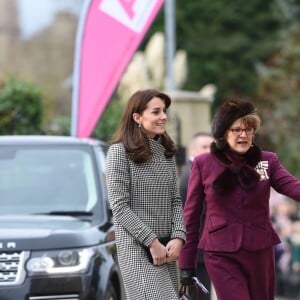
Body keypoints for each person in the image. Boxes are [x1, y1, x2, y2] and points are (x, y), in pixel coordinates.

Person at [178, 99, 300, 300]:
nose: (243, 135)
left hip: (260, 250)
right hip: (220, 253)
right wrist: (186, 264)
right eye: (236, 130)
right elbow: (190, 218)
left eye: (248, 130)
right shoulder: (203, 164)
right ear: (224, 133)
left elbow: (293, 187)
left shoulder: (267, 161)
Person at [105, 89, 186, 299]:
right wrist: (152, 242)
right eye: (156, 112)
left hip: (166, 249)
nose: (163, 117)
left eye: (164, 111)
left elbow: (175, 201)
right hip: (137, 248)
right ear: (137, 117)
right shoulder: (118, 153)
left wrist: (178, 236)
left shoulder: (166, 153)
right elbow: (120, 208)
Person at [179, 132, 213, 300]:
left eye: (212, 147)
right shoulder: (193, 172)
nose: (209, 151)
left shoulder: (196, 170)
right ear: (192, 149)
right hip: (197, 249)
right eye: (204, 147)